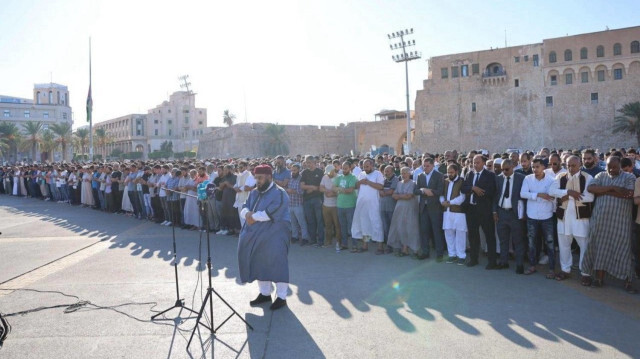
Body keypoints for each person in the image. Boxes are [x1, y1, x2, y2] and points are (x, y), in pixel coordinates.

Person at [239, 164, 291, 311]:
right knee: (259, 261)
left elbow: (271, 213)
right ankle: (265, 294)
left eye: (260, 178)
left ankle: (281, 297)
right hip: (258, 234)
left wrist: (252, 217)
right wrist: (247, 215)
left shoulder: (280, 193)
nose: (258, 181)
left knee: (277, 263)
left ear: (269, 176)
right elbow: (244, 206)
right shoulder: (254, 192)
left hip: (277, 234)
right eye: (256, 178)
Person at [583, 156, 637, 293]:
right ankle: (599, 278)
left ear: (620, 165)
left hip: (621, 222)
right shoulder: (601, 175)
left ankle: (628, 281)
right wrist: (613, 188)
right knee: (600, 248)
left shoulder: (629, 177)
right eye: (609, 167)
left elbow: (629, 194)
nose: (611, 170)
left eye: (614, 167)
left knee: (623, 249)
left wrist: (604, 192)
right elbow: (591, 188)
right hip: (600, 220)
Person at [549, 156, 594, 282]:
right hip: (563, 217)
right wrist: (568, 192)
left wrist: (566, 196)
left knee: (584, 245)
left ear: (580, 164)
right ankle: (565, 269)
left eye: (573, 165)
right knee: (564, 245)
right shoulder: (561, 177)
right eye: (568, 165)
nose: (570, 168)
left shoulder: (587, 177)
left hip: (580, 218)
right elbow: (551, 191)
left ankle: (585, 272)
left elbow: (589, 197)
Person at [520, 158, 557, 278]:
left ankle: (551, 269)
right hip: (532, 216)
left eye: (537, 167)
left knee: (550, 243)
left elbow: (553, 196)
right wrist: (538, 195)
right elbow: (523, 194)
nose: (535, 169)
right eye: (533, 167)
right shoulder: (528, 178)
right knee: (532, 242)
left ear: (543, 167)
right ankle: (532, 266)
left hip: (547, 216)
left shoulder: (552, 180)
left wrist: (544, 196)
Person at [461, 154, 497, 268]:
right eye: (473, 163)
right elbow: (463, 188)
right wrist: (473, 188)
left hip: (485, 210)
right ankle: (473, 259)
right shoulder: (469, 173)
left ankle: (492, 261)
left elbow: (491, 191)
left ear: (483, 163)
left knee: (489, 236)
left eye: (477, 162)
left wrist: (480, 191)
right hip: (471, 210)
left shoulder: (490, 175)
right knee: (473, 235)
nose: (475, 165)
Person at [493, 159, 526, 273]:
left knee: (518, 240)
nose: (504, 172)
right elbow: (495, 196)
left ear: (512, 167)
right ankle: (503, 262)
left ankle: (519, 264)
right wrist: (494, 211)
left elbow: (524, 197)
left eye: (506, 169)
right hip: (501, 213)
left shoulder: (521, 178)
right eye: (502, 169)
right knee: (503, 239)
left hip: (515, 214)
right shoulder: (498, 178)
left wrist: (523, 213)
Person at [413, 156, 445, 261]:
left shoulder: (439, 175)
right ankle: (425, 252)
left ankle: (439, 253)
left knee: (437, 230)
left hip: (435, 207)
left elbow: (440, 190)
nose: (425, 168)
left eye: (427, 166)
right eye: (424, 166)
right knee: (424, 230)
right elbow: (416, 191)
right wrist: (423, 190)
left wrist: (430, 192)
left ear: (432, 165)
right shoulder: (420, 176)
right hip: (423, 207)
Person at [351, 158, 384, 252]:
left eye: (367, 166)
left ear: (372, 166)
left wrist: (369, 182)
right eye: (364, 166)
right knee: (364, 224)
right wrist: (361, 182)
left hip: (374, 204)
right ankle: (365, 245)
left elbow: (381, 186)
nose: (365, 168)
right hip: (362, 204)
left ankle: (380, 246)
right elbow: (356, 186)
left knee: (376, 223)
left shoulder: (378, 174)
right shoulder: (361, 174)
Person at [387, 167, 420, 256]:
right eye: (402, 173)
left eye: (405, 173)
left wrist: (399, 196)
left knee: (411, 228)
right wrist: (402, 196)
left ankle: (415, 248)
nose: (404, 175)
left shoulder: (413, 183)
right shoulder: (399, 183)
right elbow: (394, 195)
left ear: (409, 174)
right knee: (401, 228)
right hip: (400, 209)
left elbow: (409, 196)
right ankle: (404, 248)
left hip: (410, 208)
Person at [441, 163, 468, 265]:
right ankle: (452, 254)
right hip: (447, 212)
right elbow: (441, 194)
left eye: (451, 172)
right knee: (448, 232)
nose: (449, 174)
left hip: (459, 212)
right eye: (448, 172)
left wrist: (450, 202)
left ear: (456, 172)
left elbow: (462, 197)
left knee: (460, 233)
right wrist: (442, 201)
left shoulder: (462, 181)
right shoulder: (445, 181)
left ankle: (461, 255)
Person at [300, 155, 325, 247]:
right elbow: (302, 186)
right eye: (307, 163)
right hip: (307, 199)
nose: (308, 164)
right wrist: (312, 187)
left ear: (314, 162)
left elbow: (322, 186)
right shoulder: (304, 172)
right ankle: (313, 240)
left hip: (317, 199)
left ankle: (321, 241)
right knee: (310, 221)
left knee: (319, 220)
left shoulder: (320, 172)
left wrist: (314, 189)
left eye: (309, 163)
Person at [334, 161, 358, 251]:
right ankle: (344, 244)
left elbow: (350, 190)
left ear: (350, 168)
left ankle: (354, 245)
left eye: (346, 168)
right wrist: (342, 189)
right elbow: (333, 188)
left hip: (350, 206)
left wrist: (339, 189)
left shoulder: (353, 177)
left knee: (351, 226)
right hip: (340, 205)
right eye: (343, 168)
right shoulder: (339, 177)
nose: (344, 170)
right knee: (342, 226)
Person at [320, 164, 341, 251]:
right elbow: (321, 188)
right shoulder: (325, 177)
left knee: (337, 225)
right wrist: (327, 191)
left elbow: (340, 190)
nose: (328, 174)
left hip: (335, 205)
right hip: (326, 205)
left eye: (329, 172)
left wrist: (331, 194)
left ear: (333, 171)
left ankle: (339, 242)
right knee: (328, 224)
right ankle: (328, 241)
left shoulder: (339, 178)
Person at [379, 165, 398, 254]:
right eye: (385, 171)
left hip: (391, 207)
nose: (386, 173)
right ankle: (388, 245)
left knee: (392, 227)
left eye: (388, 171)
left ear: (392, 171)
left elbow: (391, 191)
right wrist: (381, 191)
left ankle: (393, 245)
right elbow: (379, 189)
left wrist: (383, 192)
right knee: (385, 227)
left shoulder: (395, 179)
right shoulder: (383, 179)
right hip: (383, 207)